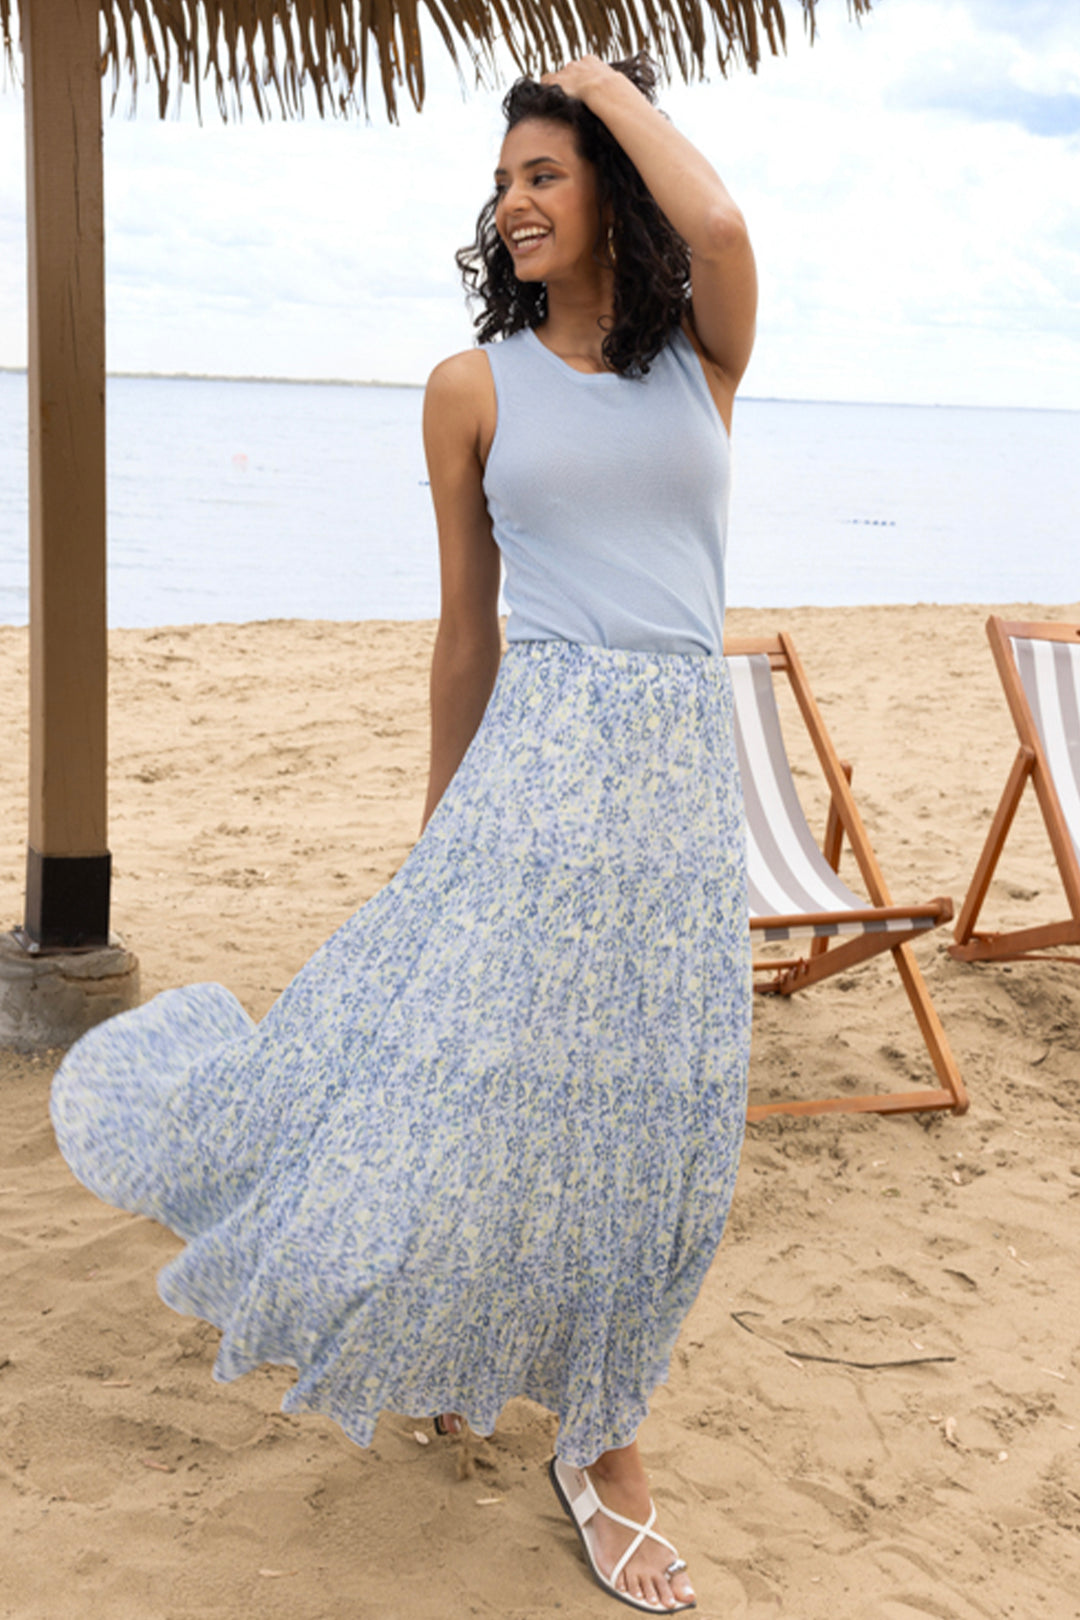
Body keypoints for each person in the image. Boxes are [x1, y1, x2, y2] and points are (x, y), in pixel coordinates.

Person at [50, 53, 755, 1618]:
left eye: (545, 173)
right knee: (487, 1092)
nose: (511, 200)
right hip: (535, 782)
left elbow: (717, 218)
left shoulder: (706, 357)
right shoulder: (470, 390)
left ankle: (601, 1421)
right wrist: (439, 827)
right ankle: (592, 1438)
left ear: (616, 190)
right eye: (501, 178)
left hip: (680, 790)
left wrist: (588, 80)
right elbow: (465, 631)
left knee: (667, 1125)